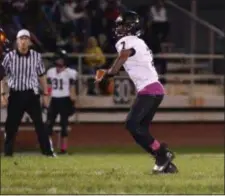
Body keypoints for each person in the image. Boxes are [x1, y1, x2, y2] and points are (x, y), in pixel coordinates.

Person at [95, 11, 178, 174]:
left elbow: (124, 55)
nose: (119, 29)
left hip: (149, 90)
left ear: (131, 27)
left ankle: (162, 154)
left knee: (132, 125)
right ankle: (165, 163)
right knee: (140, 130)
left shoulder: (126, 41)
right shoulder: (139, 42)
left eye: (123, 25)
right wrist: (109, 72)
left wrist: (109, 74)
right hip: (154, 89)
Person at [0, 29, 55, 157]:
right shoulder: (10, 57)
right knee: (11, 126)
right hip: (16, 94)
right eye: (21, 38)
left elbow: (41, 76)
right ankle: (8, 153)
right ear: (17, 41)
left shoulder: (36, 56)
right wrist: (2, 94)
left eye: (26, 38)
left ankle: (47, 152)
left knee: (40, 125)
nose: (24, 41)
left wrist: (46, 94)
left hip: (31, 94)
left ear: (30, 42)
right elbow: (1, 77)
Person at [46, 50, 77, 154]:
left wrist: (73, 101)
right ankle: (49, 148)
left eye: (61, 59)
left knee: (64, 125)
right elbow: (49, 88)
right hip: (54, 99)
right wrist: (46, 100)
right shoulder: (50, 72)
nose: (60, 61)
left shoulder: (70, 72)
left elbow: (72, 88)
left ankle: (64, 149)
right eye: (58, 59)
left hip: (65, 99)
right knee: (49, 124)